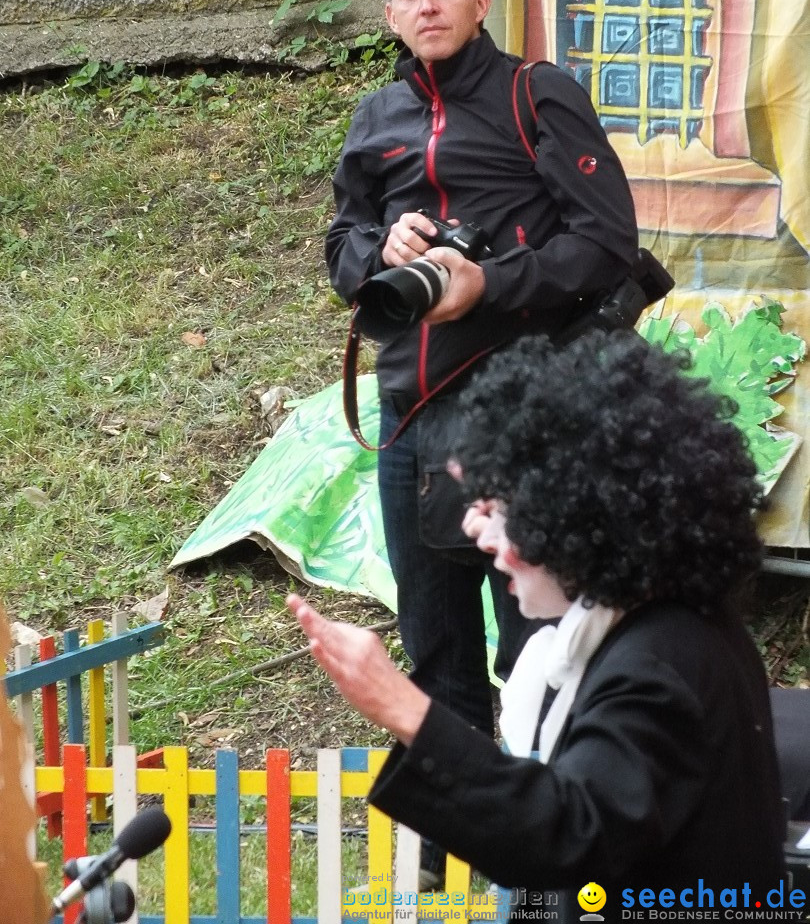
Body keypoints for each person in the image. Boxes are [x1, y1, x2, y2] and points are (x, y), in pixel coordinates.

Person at [325, 0, 639, 883]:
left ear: (481, 1)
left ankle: (554, 838)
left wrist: (486, 284)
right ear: (390, 13)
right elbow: (340, 248)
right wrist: (384, 249)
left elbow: (608, 244)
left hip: (524, 412)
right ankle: (452, 851)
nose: (427, 6)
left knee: (537, 641)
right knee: (435, 642)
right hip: (411, 414)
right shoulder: (375, 116)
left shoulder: (533, 94)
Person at [288, 331, 786, 922]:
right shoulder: (662, 629)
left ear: (577, 517)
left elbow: (570, 838)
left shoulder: (655, 669)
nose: (474, 529)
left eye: (494, 508)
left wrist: (405, 709)